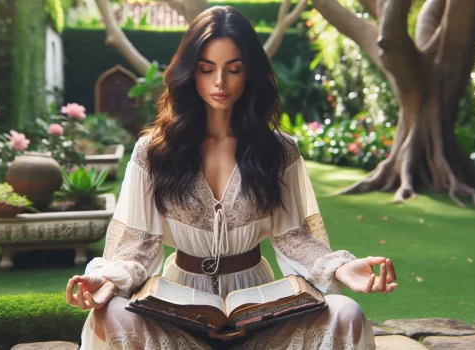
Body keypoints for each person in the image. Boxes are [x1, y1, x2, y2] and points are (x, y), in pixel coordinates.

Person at [66, 5, 397, 349]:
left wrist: (342, 269)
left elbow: (295, 238)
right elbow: (136, 245)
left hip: (261, 306)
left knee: (346, 313)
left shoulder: (279, 151)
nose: (219, 82)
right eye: (207, 69)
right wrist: (107, 280)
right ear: (189, 73)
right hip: (178, 306)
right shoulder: (153, 152)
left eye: (233, 69)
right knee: (110, 313)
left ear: (250, 73)